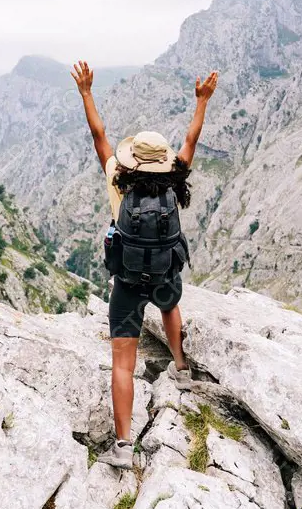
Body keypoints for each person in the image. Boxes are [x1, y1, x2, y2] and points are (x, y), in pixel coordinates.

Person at [71, 60, 218, 469]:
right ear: (164, 161)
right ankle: (183, 367)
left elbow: (98, 135)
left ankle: (122, 446)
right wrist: (202, 101)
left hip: (128, 280)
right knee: (170, 307)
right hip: (165, 273)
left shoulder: (117, 176)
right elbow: (192, 138)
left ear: (132, 159)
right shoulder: (176, 176)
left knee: (123, 362)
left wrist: (86, 92)